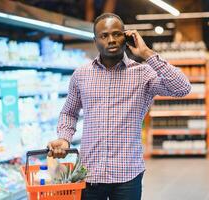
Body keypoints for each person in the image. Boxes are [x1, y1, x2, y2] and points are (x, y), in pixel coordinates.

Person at [47, 13, 191, 200]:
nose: (111, 40)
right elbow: (69, 112)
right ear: (95, 41)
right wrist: (64, 139)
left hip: (128, 176)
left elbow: (182, 88)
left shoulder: (143, 74)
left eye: (117, 34)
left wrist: (147, 53)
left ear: (127, 36)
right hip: (89, 174)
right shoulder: (81, 75)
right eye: (104, 36)